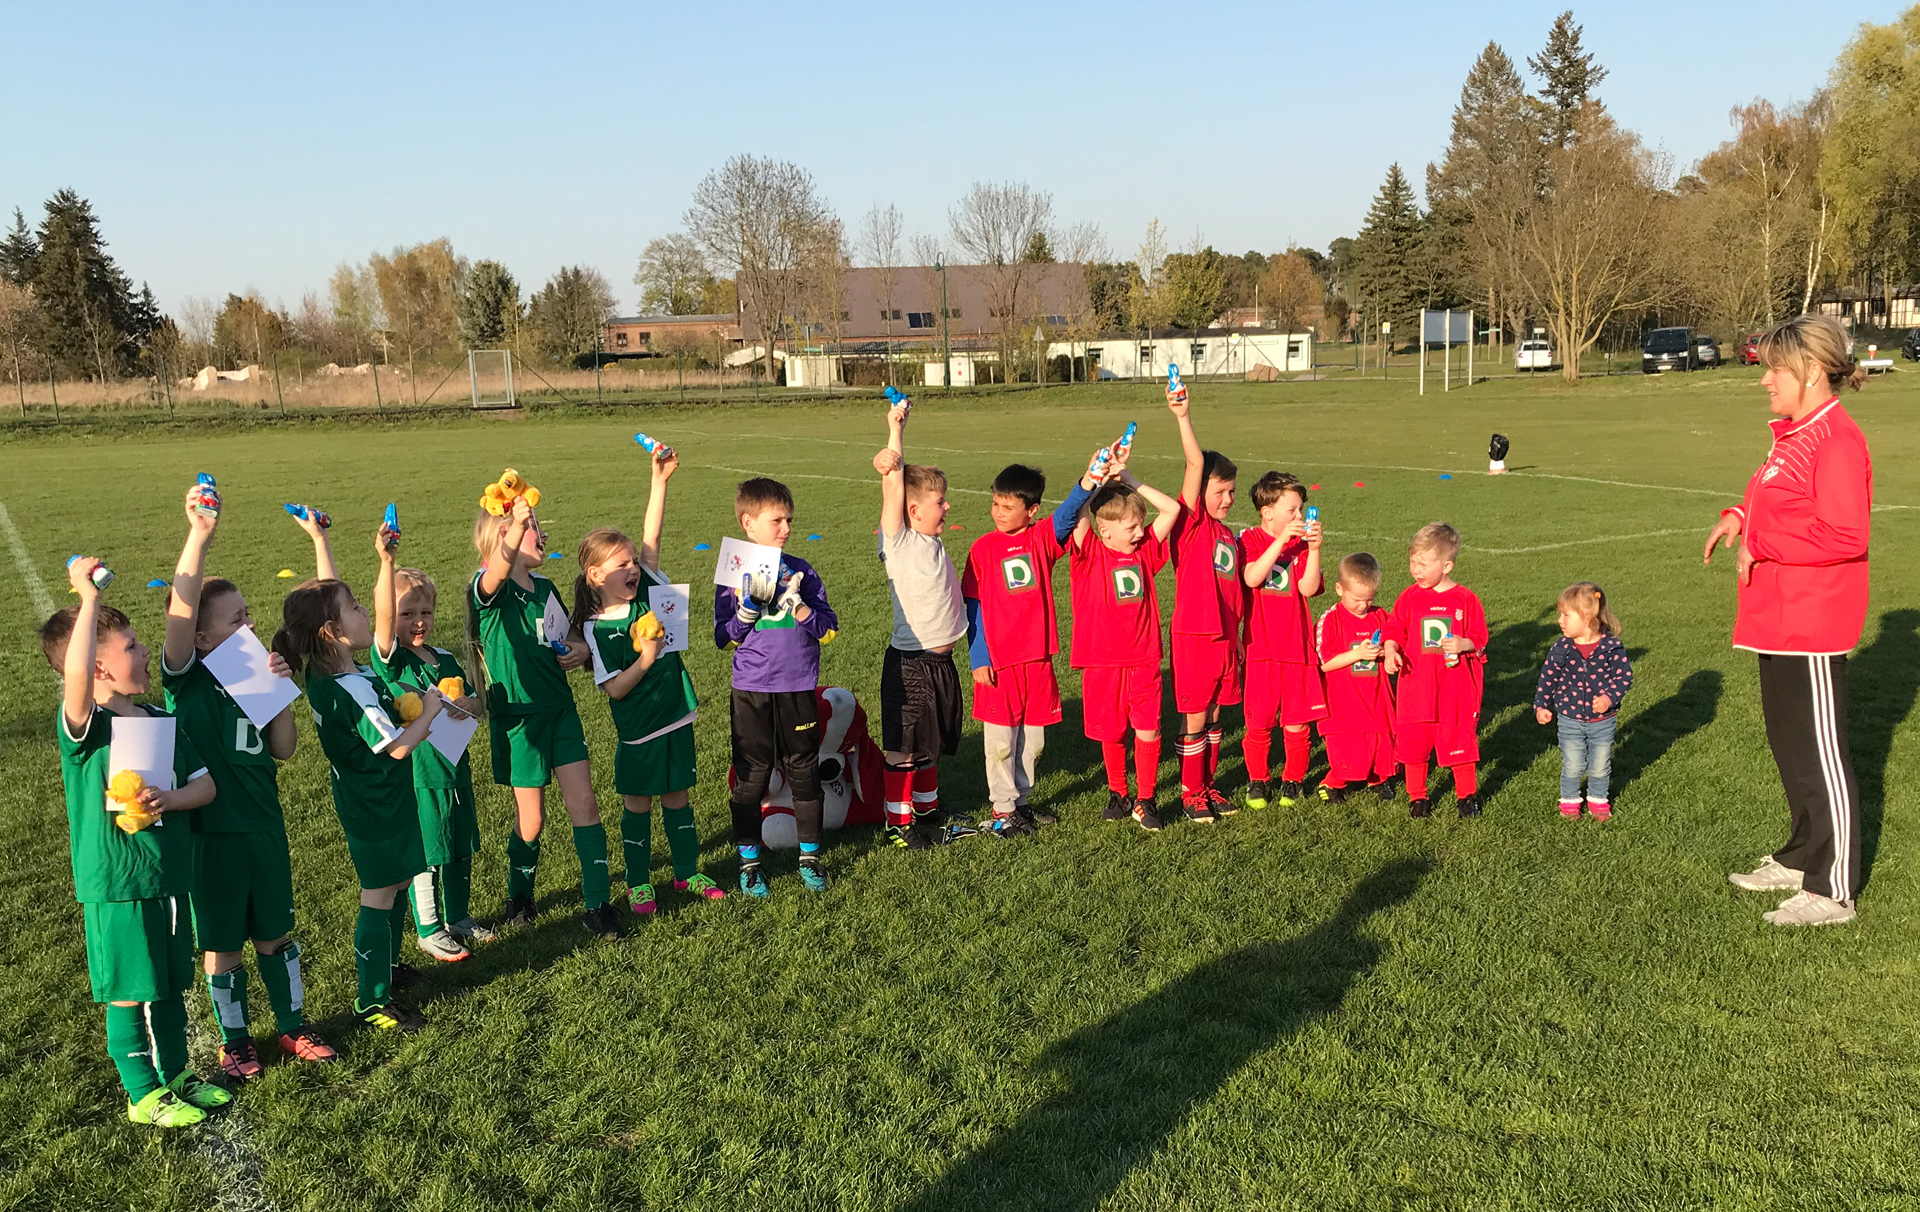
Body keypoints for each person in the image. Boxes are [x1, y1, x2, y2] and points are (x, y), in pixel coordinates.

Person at [45, 557, 230, 1128]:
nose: (146, 652)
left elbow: (205, 785)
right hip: (119, 883)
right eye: (132, 648)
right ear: (100, 668)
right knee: (130, 988)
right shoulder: (86, 725)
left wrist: (167, 802)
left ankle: (174, 1075)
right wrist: (89, 601)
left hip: (169, 874)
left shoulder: (155, 716)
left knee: (172, 981)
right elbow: (75, 681)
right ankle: (141, 1092)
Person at [162, 489, 335, 1082]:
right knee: (224, 945)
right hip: (213, 834)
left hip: (265, 826)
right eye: (236, 620)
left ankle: (293, 1025)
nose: (250, 624)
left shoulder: (249, 667)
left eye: (248, 616)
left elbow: (284, 749)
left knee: (276, 932)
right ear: (204, 639)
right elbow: (181, 612)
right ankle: (234, 1041)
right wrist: (200, 537)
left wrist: (278, 692)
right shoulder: (187, 679)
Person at [1705, 313, 1872, 927]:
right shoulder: (1794, 435)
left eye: (1775, 368)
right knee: (1791, 744)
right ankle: (1805, 854)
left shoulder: (1837, 439)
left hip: (1814, 619)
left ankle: (1834, 889)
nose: (1764, 380)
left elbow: (1846, 533)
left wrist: (1765, 539)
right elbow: (1772, 501)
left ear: (1812, 370)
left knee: (1821, 752)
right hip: (1775, 617)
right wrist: (1738, 517)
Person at [274, 555, 441, 1032]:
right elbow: (397, 750)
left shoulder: (339, 674)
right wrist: (428, 710)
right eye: (355, 607)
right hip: (375, 805)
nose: (367, 613)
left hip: (380, 798)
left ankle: (386, 969)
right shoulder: (348, 687)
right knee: (379, 893)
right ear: (332, 629)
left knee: (399, 884)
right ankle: (371, 1000)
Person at [576, 445, 727, 914]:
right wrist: (646, 657)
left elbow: (651, 539)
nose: (632, 570)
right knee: (638, 804)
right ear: (595, 574)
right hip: (638, 730)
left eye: (633, 564)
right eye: (620, 566)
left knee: (678, 798)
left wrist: (659, 481)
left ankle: (686, 874)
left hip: (674, 715)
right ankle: (639, 883)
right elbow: (615, 689)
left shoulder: (650, 595)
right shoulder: (594, 628)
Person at [468, 490, 618, 938]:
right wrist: (516, 523)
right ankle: (520, 893)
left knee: (585, 805)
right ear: (505, 534)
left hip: (560, 712)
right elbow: (497, 569)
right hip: (519, 720)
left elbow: (570, 638)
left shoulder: (547, 588)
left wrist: (576, 649)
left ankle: (598, 906)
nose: (543, 534)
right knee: (531, 820)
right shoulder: (489, 588)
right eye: (535, 528)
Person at [714, 478, 839, 897]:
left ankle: (809, 856)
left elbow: (828, 629)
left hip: (798, 687)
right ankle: (749, 863)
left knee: (804, 773)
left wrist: (800, 607)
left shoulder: (801, 570)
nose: (786, 528)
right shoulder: (732, 573)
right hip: (751, 689)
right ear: (748, 523)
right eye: (776, 520)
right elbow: (722, 637)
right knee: (752, 779)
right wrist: (746, 612)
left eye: (789, 519)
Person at [961, 462, 1098, 835]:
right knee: (1001, 741)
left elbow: (1069, 512)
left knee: (1033, 741)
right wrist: (979, 657)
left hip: (1037, 660)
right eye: (995, 504)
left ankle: (1021, 801)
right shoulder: (982, 550)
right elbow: (972, 609)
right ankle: (1003, 808)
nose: (998, 513)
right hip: (999, 665)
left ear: (1032, 510)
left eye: (1007, 507)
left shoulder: (1040, 540)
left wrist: (1089, 481)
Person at [372, 522, 487, 958]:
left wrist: (465, 707)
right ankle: (428, 926)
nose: (418, 622)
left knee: (459, 845)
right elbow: (383, 624)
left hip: (455, 768)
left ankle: (459, 916)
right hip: (419, 774)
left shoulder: (445, 659)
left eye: (426, 613)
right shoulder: (391, 662)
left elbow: (476, 702)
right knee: (428, 850)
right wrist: (388, 562)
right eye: (407, 614)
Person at [873, 400, 971, 850]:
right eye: (939, 501)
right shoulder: (900, 543)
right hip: (910, 665)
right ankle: (899, 824)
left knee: (931, 741)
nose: (947, 506)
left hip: (941, 663)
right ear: (913, 511)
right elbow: (894, 484)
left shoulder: (930, 541)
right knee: (905, 746)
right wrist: (896, 430)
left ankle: (930, 810)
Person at [1068, 444, 1181, 831]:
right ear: (1106, 531)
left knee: (1147, 728)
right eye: (1131, 527)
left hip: (1144, 659)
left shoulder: (1146, 552)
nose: (1139, 532)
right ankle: (1119, 791)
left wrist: (1129, 479)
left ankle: (1146, 798)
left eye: (1139, 526)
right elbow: (1078, 515)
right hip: (1102, 662)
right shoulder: (1089, 555)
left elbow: (1173, 511)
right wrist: (1094, 476)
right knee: (1112, 731)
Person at [1164, 386, 1245, 823]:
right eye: (1220, 492)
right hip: (1195, 634)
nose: (1227, 500)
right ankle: (1191, 791)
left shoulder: (1229, 536)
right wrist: (1182, 416)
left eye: (1232, 492)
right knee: (1195, 715)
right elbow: (1195, 463)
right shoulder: (1191, 524)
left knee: (1215, 714)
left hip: (1225, 638)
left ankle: (1208, 786)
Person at [1382, 522, 1487, 819]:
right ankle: (1418, 796)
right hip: (1416, 687)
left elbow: (1479, 637)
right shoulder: (1409, 597)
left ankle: (1466, 796)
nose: (1415, 569)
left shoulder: (1466, 600)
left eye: (1423, 564)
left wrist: (1465, 643)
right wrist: (1391, 649)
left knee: (1459, 741)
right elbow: (1395, 629)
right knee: (1414, 744)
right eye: (1412, 562)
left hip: (1454, 690)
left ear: (1447, 565)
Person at [1237, 471, 1328, 809]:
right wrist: (1279, 543)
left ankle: (1293, 779)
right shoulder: (1248, 539)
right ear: (1268, 511)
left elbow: (1306, 588)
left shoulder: (1302, 545)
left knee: (1297, 724)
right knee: (1259, 723)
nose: (1299, 517)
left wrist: (1314, 549)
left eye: (1302, 510)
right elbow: (1252, 577)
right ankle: (1258, 780)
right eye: (1292, 511)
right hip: (1261, 649)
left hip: (1297, 648)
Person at [1533, 582, 1633, 821]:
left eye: (1566, 615)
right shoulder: (1562, 647)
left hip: (1602, 721)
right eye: (1560, 614)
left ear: (1588, 617)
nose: (1560, 620)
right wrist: (1541, 705)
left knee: (1599, 764)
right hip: (1569, 718)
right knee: (1573, 763)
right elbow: (1548, 678)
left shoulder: (1611, 647)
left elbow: (1624, 677)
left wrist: (1609, 698)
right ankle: (1569, 801)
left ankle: (1598, 800)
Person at [1315, 553, 1396, 803]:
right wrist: (1358, 653)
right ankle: (1332, 783)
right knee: (1349, 749)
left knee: (1381, 742)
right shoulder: (1331, 620)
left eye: (1369, 598)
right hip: (1345, 700)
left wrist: (1385, 651)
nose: (1363, 605)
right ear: (1339, 589)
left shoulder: (1381, 616)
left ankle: (1378, 779)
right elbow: (1326, 663)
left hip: (1376, 696)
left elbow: (1395, 641)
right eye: (1357, 599)